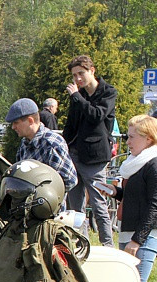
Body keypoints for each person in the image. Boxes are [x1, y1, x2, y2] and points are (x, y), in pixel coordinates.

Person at [62, 55, 117, 247]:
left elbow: (97, 116)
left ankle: (108, 246)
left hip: (95, 156)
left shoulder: (107, 92)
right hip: (75, 153)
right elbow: (71, 124)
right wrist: (63, 146)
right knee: (75, 206)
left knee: (98, 203)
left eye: (81, 74)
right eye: (74, 75)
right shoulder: (80, 94)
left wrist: (76, 96)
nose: (77, 79)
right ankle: (80, 244)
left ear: (92, 70)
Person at [100, 115, 157, 282]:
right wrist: (116, 192)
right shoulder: (134, 163)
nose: (127, 141)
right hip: (128, 231)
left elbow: (154, 205)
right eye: (127, 136)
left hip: (144, 236)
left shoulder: (153, 165)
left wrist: (137, 240)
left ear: (148, 139)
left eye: (132, 137)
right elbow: (135, 197)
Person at [6, 98, 78, 196]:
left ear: (30, 120)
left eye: (16, 123)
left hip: (49, 209)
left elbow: (70, 180)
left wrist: (44, 193)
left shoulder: (52, 144)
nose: (13, 127)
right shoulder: (24, 143)